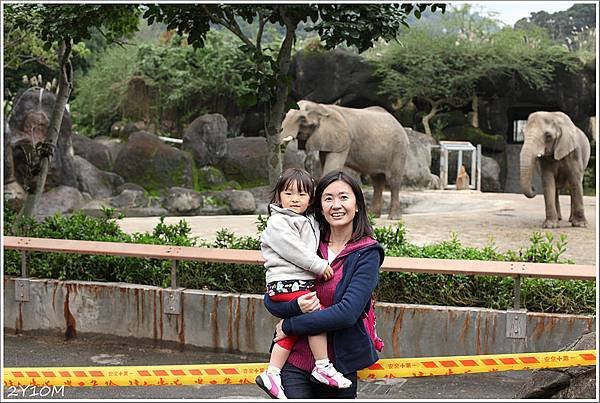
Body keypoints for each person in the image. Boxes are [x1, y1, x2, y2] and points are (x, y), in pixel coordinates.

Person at [264, 170, 384, 399]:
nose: (336, 205)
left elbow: (347, 314)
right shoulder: (307, 245)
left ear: (357, 204)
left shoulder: (367, 253)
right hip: (295, 363)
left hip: (339, 366)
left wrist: (289, 325)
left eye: (344, 197)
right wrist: (294, 307)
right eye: (328, 198)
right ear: (319, 205)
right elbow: (271, 300)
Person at [256, 168, 354, 399]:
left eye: (302, 194)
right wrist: (319, 265)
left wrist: (288, 322)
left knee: (294, 327)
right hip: (286, 282)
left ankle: (272, 372)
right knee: (314, 317)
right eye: (288, 193)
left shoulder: (306, 220)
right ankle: (323, 365)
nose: (294, 199)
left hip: (294, 284)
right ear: (278, 196)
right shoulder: (278, 222)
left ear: (311, 199)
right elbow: (294, 249)